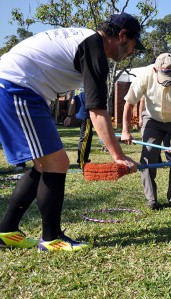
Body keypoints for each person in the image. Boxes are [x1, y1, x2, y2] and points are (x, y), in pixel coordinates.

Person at [0, 12, 141, 252]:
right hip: (16, 88)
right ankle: (52, 238)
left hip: (21, 88)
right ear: (122, 35)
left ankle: (7, 230)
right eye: (132, 46)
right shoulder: (94, 50)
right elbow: (96, 111)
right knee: (57, 163)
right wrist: (118, 156)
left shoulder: (87, 41)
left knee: (44, 165)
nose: (131, 52)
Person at [121, 53, 171, 211]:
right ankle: (151, 199)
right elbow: (129, 103)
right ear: (155, 70)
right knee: (148, 156)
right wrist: (125, 130)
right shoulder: (145, 75)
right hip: (152, 119)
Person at [65, 90, 93, 168]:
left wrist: (69, 116)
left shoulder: (77, 89)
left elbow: (72, 102)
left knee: (87, 138)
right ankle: (81, 161)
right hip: (86, 117)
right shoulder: (88, 88)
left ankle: (85, 159)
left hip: (80, 116)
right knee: (84, 139)